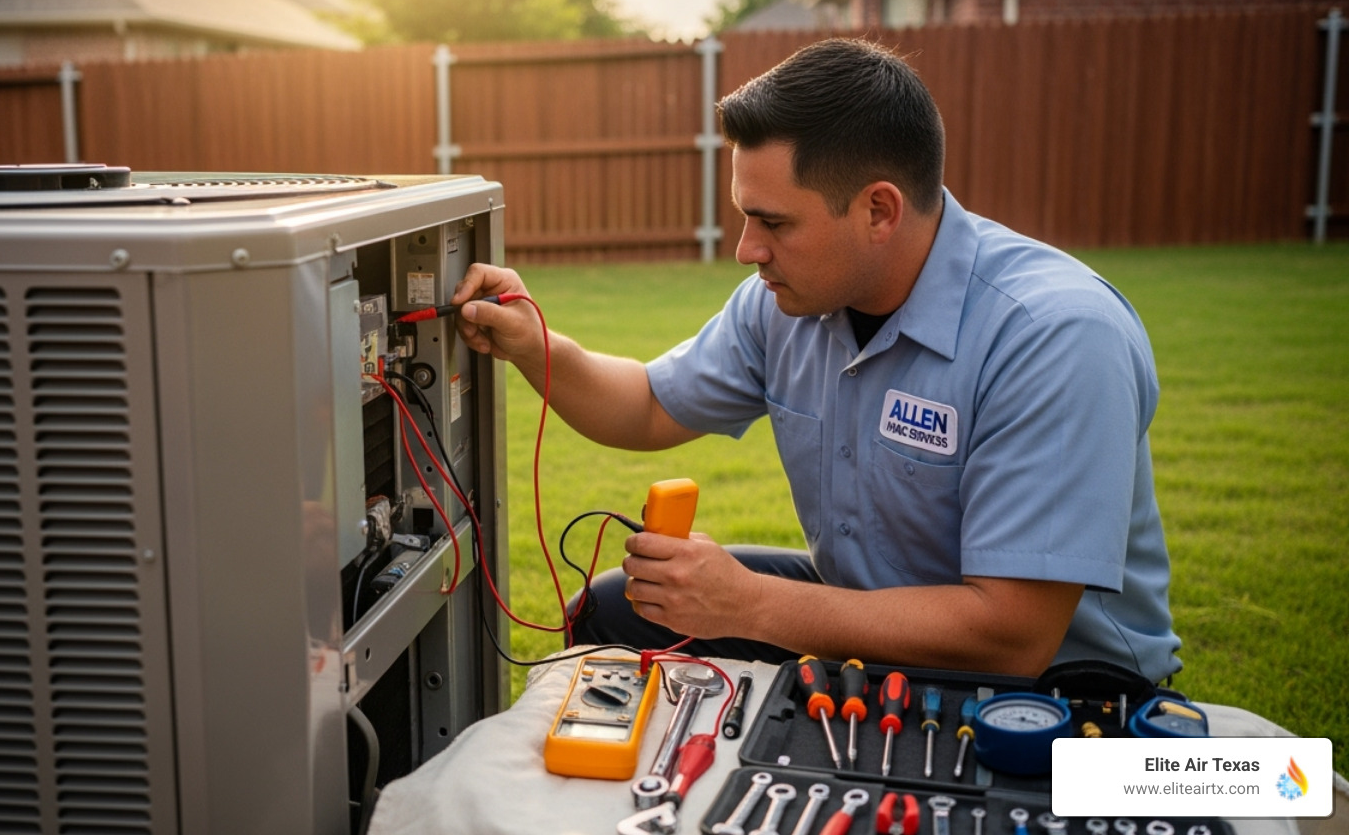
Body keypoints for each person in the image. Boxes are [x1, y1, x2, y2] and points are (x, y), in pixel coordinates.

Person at [452, 38, 1181, 682]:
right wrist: (533, 343)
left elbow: (1011, 634)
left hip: (1057, 684)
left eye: (773, 223)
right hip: (869, 620)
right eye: (745, 216)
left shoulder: (1054, 336)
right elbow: (646, 404)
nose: (746, 250)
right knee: (613, 610)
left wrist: (748, 604)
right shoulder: (783, 302)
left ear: (879, 211)